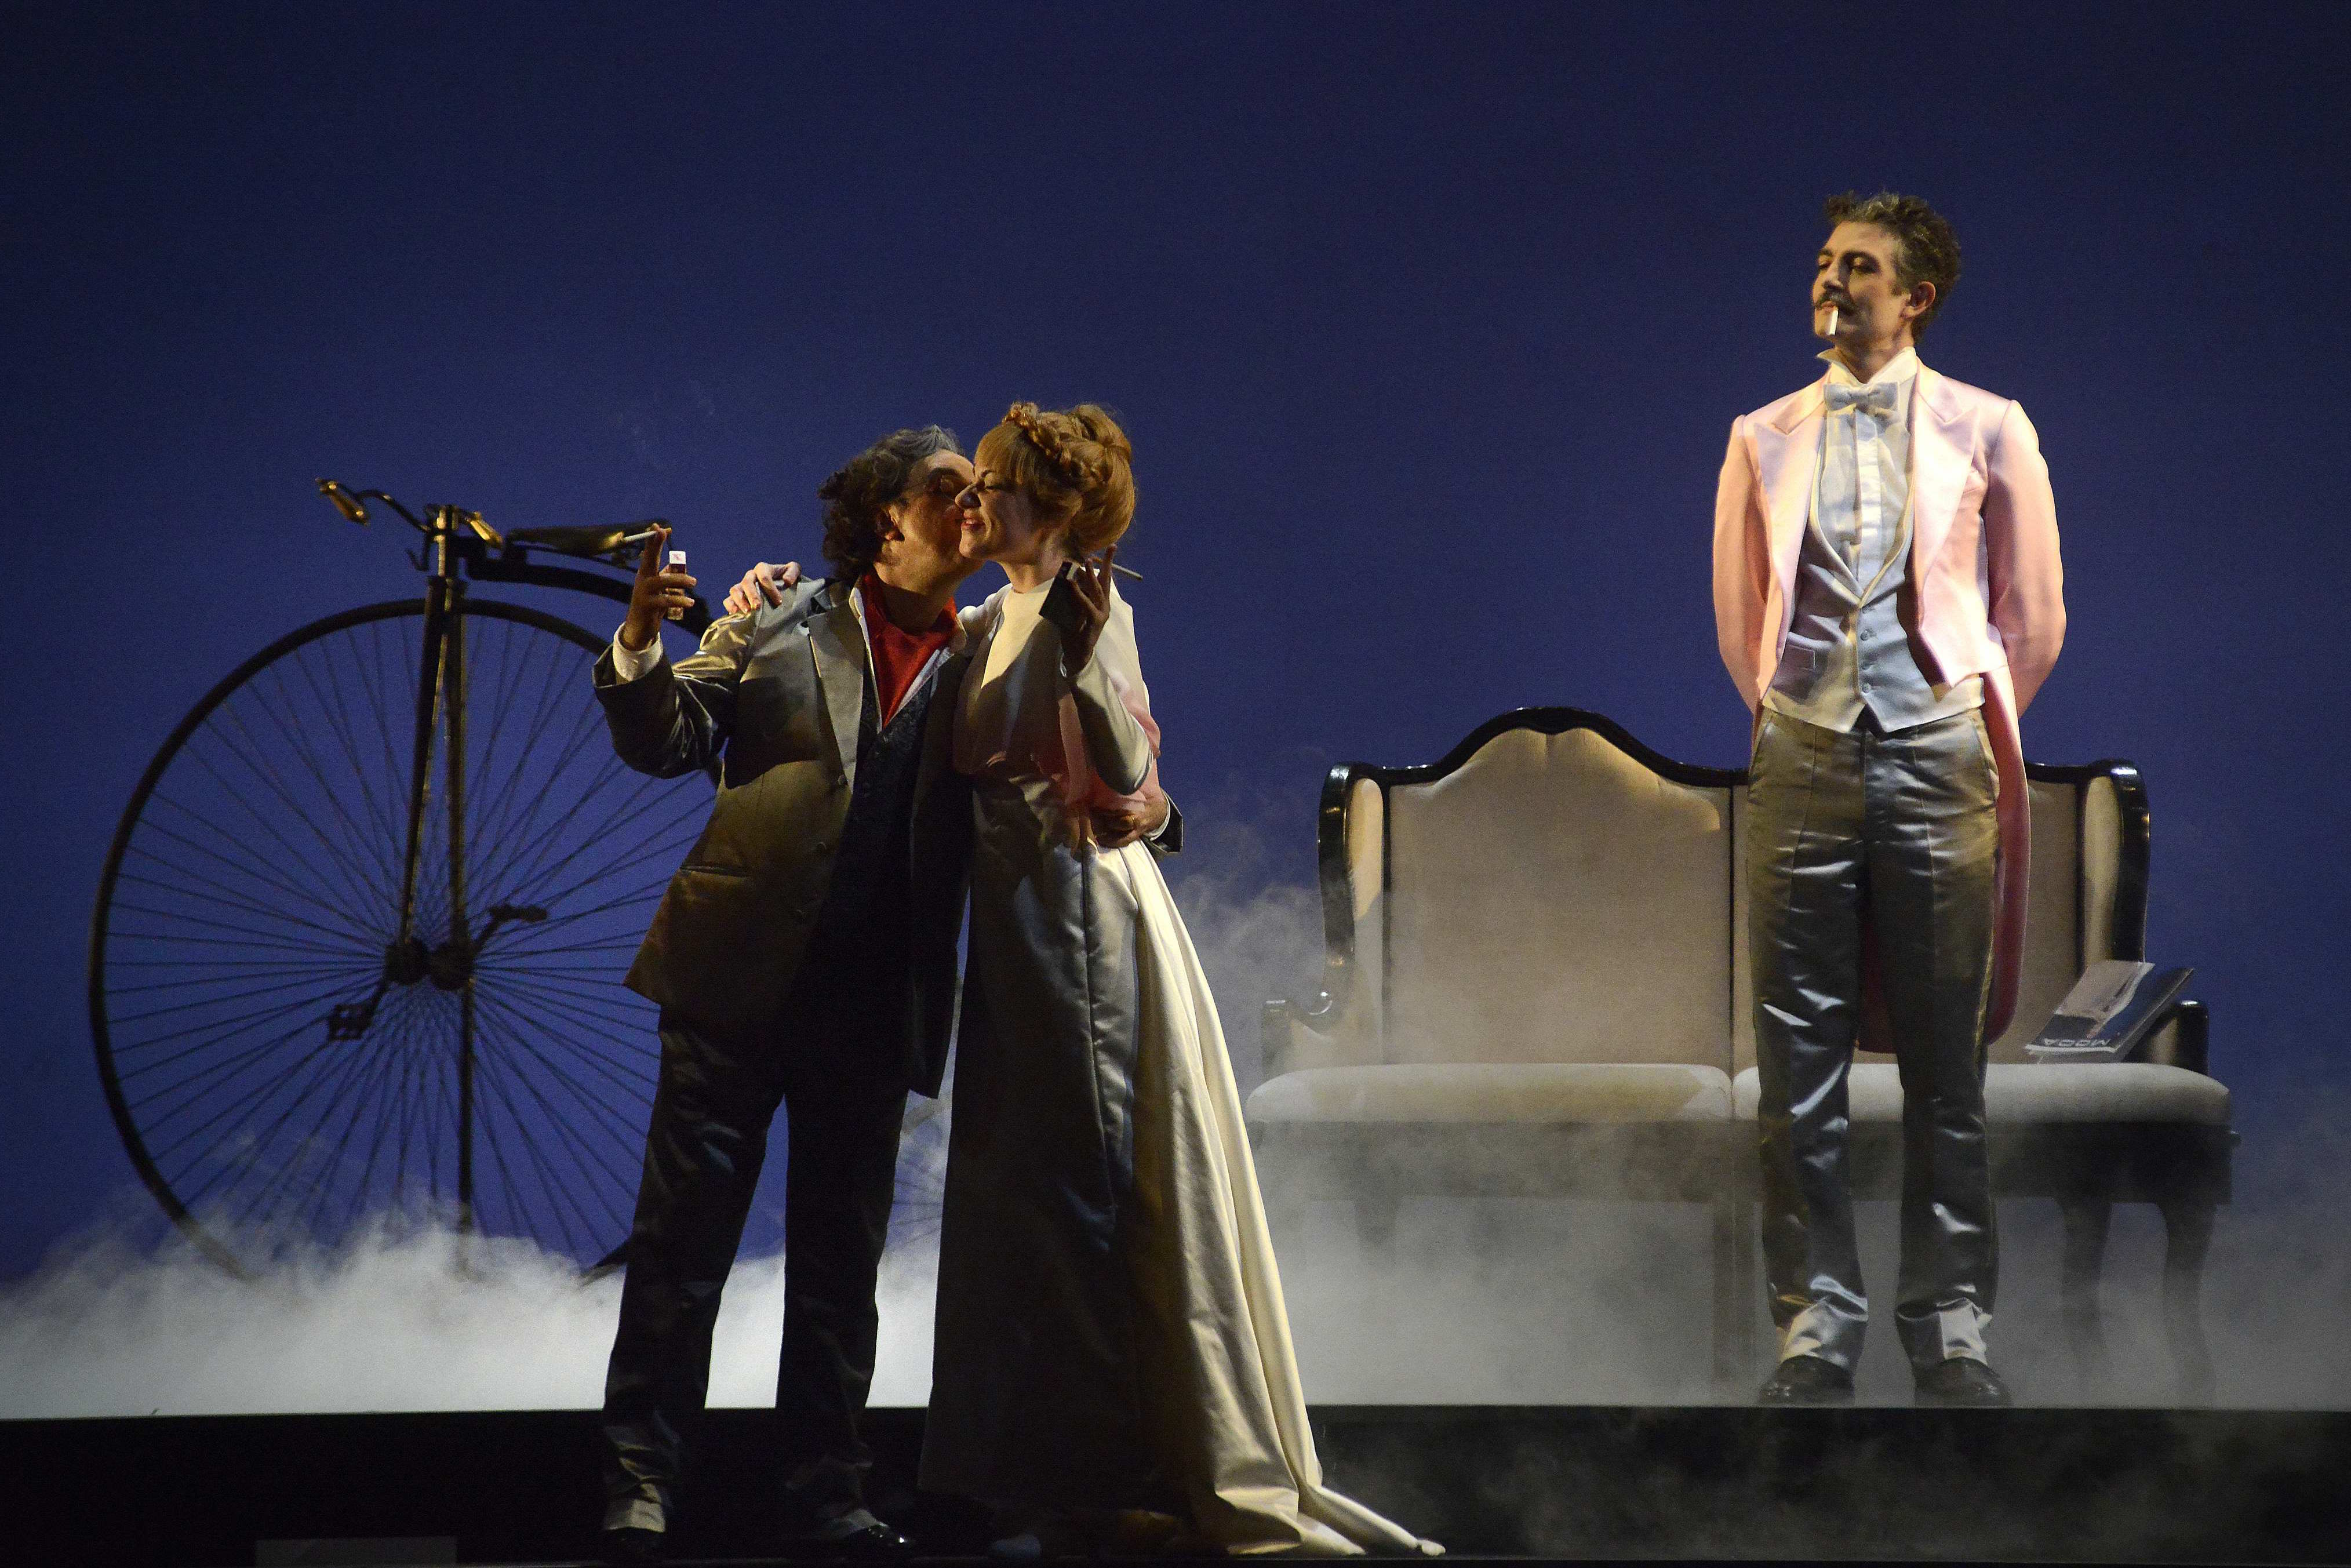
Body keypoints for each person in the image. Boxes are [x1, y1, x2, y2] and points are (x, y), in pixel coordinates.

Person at [920, 402, 1435, 1555]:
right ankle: (1045, 1473)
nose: (978, 499)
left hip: (1076, 912)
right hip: (1012, 917)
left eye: (998, 483)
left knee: (1091, 1181)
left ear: (1055, 508)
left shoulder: (1090, 609)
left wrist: (1083, 659)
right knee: (1029, 1187)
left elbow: (1125, 767)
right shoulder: (989, 616)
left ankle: (1125, 1474)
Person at [592, 426, 986, 1565]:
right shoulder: (778, 618)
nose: (973, 503)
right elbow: (668, 739)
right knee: (679, 1255)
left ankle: (827, 1493)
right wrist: (640, 640)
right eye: (947, 488)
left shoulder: (984, 656)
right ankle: (640, 1483)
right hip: (734, 983)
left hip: (871, 1004)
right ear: (886, 518)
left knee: (837, 1274)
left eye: (979, 488)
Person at [1712, 192, 2065, 1407]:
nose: (1831, 280)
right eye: (1824, 261)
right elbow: (1744, 621)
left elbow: (2032, 617)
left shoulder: (1990, 424)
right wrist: (1804, 711)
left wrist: (1947, 708)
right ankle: (1815, 1326)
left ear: (1916, 296)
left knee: (1945, 1060)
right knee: (1795, 1060)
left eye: (1858, 266)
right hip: (1803, 751)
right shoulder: (1762, 433)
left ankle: (1950, 1323)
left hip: (1938, 752)